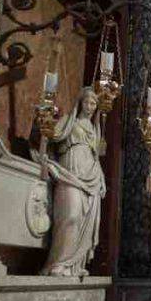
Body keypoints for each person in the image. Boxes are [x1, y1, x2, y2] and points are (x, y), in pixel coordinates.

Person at [40, 86, 106, 277]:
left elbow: (96, 156)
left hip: (91, 175)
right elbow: (52, 135)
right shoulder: (69, 121)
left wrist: (101, 177)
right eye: (87, 102)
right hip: (70, 171)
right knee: (71, 216)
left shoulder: (94, 129)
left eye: (94, 103)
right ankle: (58, 263)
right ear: (80, 102)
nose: (91, 106)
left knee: (85, 220)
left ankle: (74, 265)